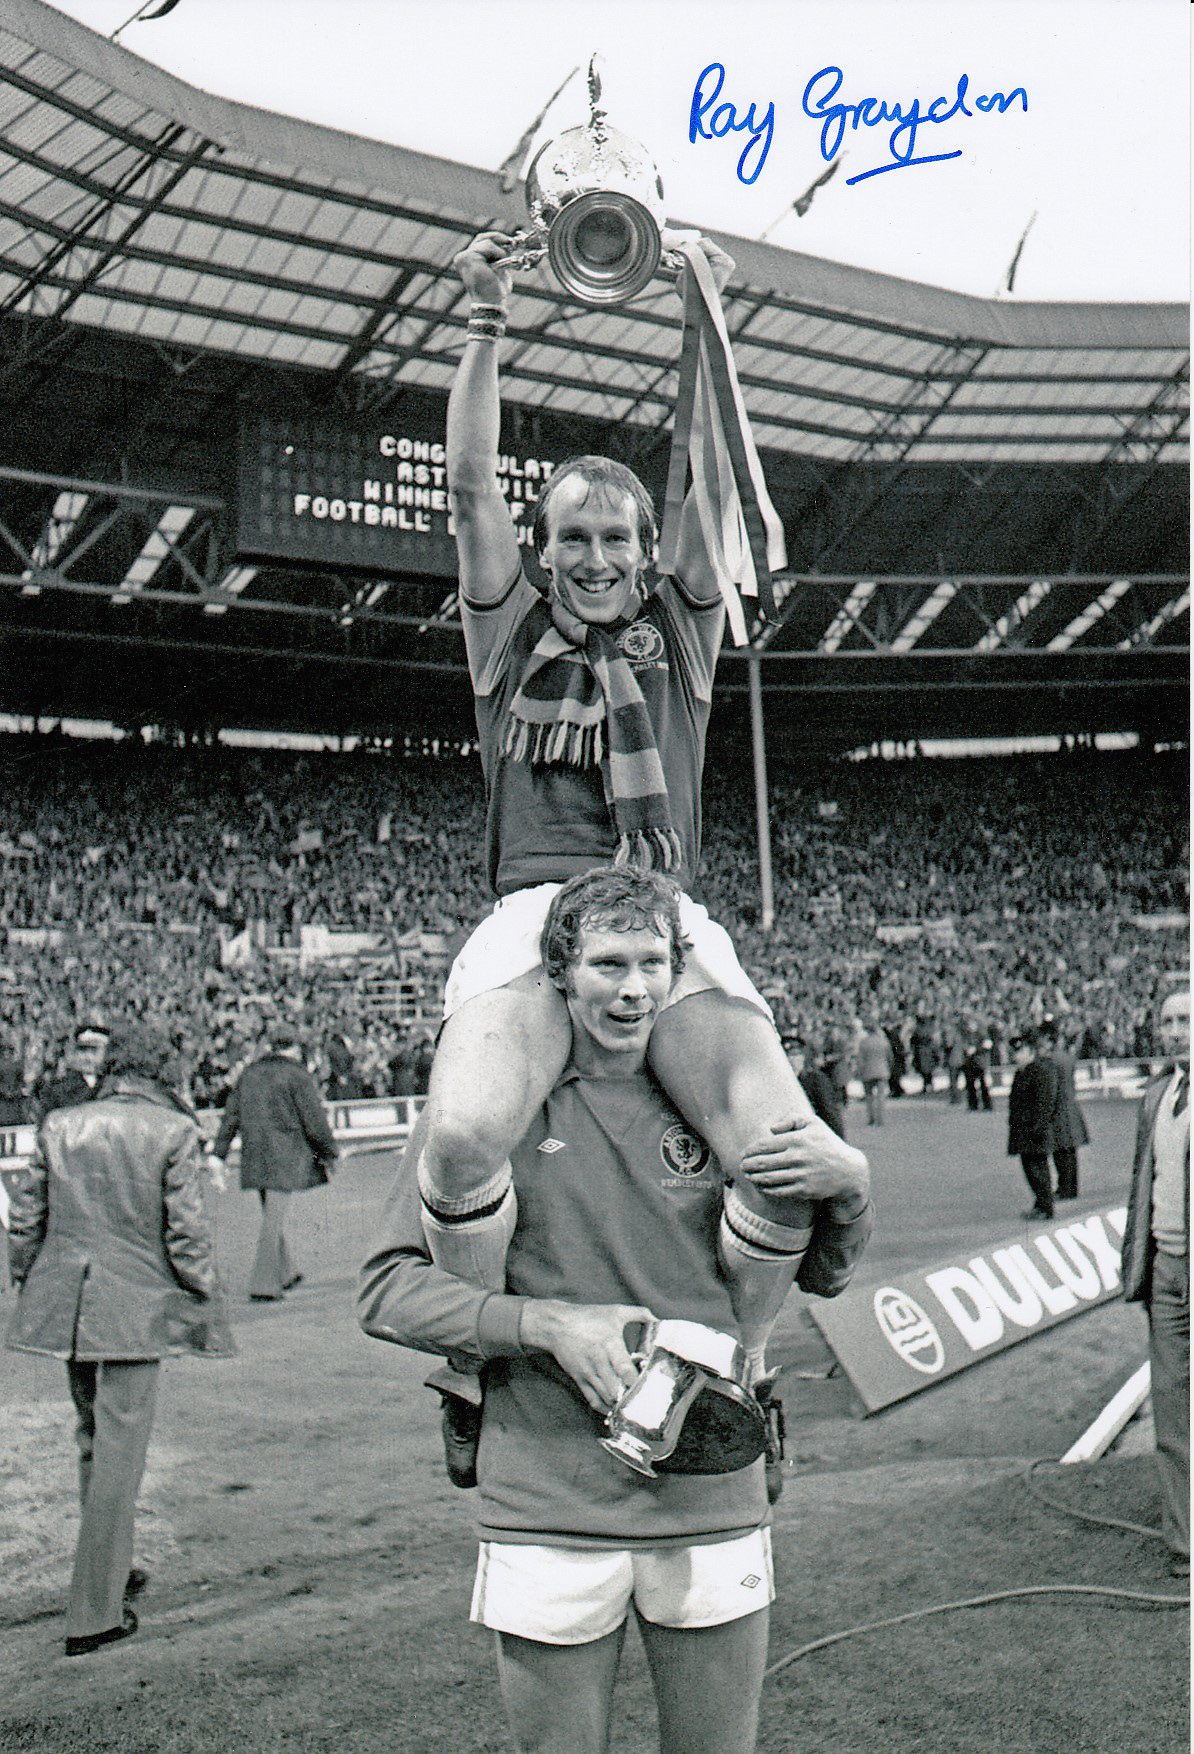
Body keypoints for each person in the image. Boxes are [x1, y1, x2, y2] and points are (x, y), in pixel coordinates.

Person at [413, 227, 854, 1390]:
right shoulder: (505, 632)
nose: (596, 556)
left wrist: (698, 316)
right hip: (533, 918)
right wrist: (484, 315)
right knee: (460, 1138)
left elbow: (710, 475)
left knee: (783, 1154)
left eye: (617, 537)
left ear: (647, 548)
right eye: (572, 538)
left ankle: (748, 1368)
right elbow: (467, 489)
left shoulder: (684, 634)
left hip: (662, 918)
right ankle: (474, 1372)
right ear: (543, 552)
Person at [359, 869, 872, 1754]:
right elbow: (387, 1288)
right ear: (560, 972)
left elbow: (818, 1278)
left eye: (652, 963)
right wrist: (545, 1323)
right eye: (606, 964)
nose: (633, 989)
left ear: (679, 972)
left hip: (709, 1491)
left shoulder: (729, 1112)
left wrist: (855, 1191)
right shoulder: (490, 1111)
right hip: (546, 1500)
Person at [6, 1018, 233, 1656]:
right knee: (119, 1455)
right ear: (162, 1069)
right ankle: (95, 1611)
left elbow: (26, 1217)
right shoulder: (174, 1130)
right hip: (133, 1307)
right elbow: (187, 1233)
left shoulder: (61, 1124)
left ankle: (111, 1567)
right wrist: (204, 1292)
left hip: (67, 1303)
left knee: (93, 1441)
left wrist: (30, 1279)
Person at [1120, 985, 1189, 1580]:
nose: (1176, 1031)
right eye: (1168, 1021)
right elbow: (1144, 1185)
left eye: (1186, 1019)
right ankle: (1185, 1542)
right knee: (1170, 1407)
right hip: (1166, 1269)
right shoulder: (1158, 1094)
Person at [208, 1023, 337, 1301]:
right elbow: (314, 1121)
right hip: (286, 1155)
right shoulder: (297, 1075)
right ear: (295, 1047)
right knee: (272, 1221)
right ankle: (264, 1284)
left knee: (270, 1213)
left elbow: (231, 1117)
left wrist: (218, 1153)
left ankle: (286, 1271)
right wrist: (330, 1151)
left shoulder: (249, 1074)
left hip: (255, 1154)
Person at [1006, 1029, 1062, 1222]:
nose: (1015, 1056)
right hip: (1024, 1132)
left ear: (1029, 1051)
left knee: (1038, 1170)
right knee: (1030, 1169)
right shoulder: (1022, 1072)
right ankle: (1040, 1204)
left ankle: (1046, 1208)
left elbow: (1045, 1104)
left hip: (1035, 1132)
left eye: (1018, 1052)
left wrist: (1037, 1128)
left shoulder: (1039, 1072)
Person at [1038, 1016, 1089, 1199]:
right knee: (1069, 1152)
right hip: (1070, 1106)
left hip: (1058, 1109)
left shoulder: (1051, 1060)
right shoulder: (1066, 1057)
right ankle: (1070, 1187)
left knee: (1061, 1152)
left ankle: (1065, 1188)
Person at [33, 1024, 108, 1122]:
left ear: (106, 1053)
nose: (87, 1057)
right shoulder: (56, 1091)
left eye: (94, 1051)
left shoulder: (114, 1085)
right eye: (83, 1051)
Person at [856, 1017, 893, 1127]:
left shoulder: (864, 1042)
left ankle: (871, 1118)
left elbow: (860, 1059)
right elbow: (890, 1057)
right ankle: (880, 1118)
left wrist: (860, 1071)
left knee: (869, 1096)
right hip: (882, 1070)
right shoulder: (883, 1041)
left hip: (868, 1071)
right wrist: (888, 1067)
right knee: (881, 1096)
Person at [962, 1023, 994, 1113]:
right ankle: (973, 1105)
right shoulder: (966, 1035)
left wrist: (976, 1049)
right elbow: (964, 1045)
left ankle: (987, 1105)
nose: (971, 1026)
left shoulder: (982, 1035)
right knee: (970, 1085)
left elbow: (988, 1045)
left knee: (983, 1084)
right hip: (970, 1063)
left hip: (980, 1063)